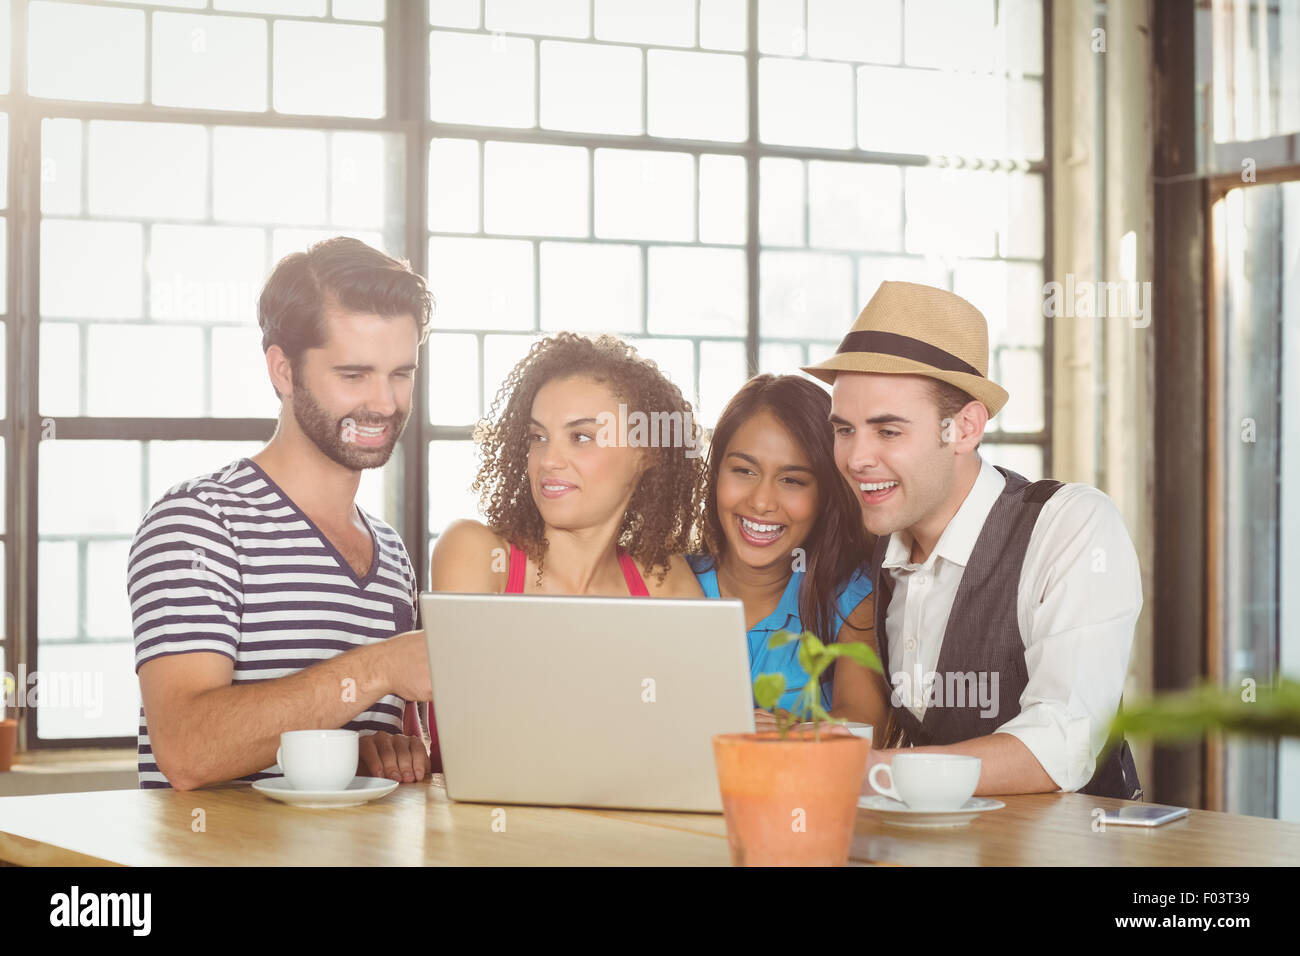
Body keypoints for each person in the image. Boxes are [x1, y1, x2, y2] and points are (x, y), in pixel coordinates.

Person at [803, 280, 1143, 799]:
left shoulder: (1070, 526)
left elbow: (1063, 742)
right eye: (844, 429)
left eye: (888, 431)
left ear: (964, 429)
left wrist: (867, 769)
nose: (855, 458)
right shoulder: (879, 539)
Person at [128, 237, 435, 791]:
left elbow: (344, 751)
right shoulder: (199, 524)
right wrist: (379, 668)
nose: (385, 403)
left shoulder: (391, 554)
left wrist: (378, 751)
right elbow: (188, 750)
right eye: (353, 375)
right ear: (283, 371)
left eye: (400, 373)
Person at [423, 332, 706, 766]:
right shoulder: (476, 553)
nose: (548, 460)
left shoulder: (664, 581)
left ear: (646, 453)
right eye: (538, 437)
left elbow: (692, 744)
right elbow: (480, 736)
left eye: (581, 437)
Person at [689, 374, 885, 733]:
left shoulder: (852, 597)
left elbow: (863, 728)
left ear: (826, 494)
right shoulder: (671, 582)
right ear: (716, 475)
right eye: (743, 471)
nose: (762, 502)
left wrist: (782, 735)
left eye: (792, 480)